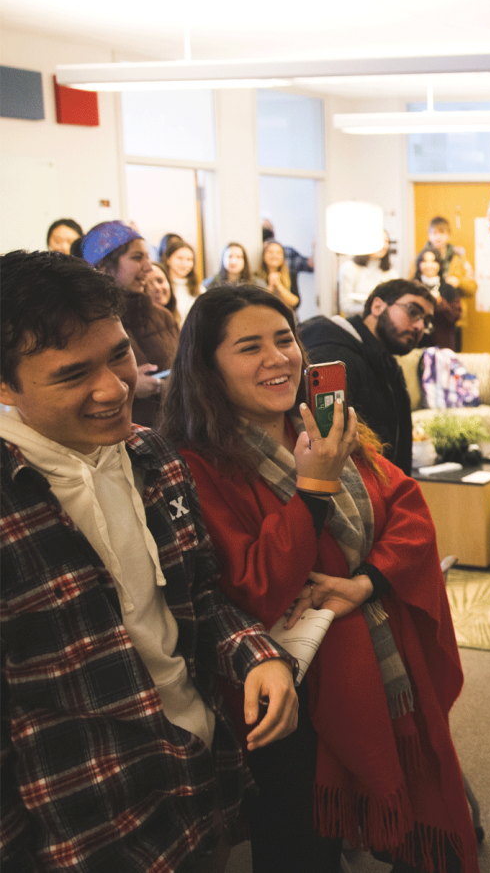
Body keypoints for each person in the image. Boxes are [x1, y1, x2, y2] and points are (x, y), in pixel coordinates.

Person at [161, 285, 477, 873]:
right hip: (290, 685)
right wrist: (313, 488)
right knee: (300, 842)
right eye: (249, 347)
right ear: (207, 367)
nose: (278, 358)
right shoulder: (195, 464)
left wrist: (368, 582)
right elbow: (254, 584)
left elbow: (406, 508)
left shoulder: (319, 425)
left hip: (375, 655)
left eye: (285, 339)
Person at [0, 250, 298, 872]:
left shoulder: (151, 454)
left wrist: (257, 654)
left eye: (119, 355)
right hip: (82, 823)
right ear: (6, 386)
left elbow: (201, 595)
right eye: (72, 374)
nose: (113, 388)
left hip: (195, 774)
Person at [298, 278, 435, 473]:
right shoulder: (331, 356)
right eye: (413, 311)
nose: (419, 326)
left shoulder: (387, 364)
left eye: (427, 321)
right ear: (377, 306)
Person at [75, 221, 177, 426]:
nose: (148, 268)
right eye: (137, 258)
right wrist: (131, 387)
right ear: (103, 265)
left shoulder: (163, 316)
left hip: (174, 431)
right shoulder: (85, 324)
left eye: (148, 258)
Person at [413, 248, 464, 351]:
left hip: (442, 346)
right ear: (419, 264)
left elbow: (455, 316)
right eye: (425, 261)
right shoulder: (412, 287)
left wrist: (440, 303)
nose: (429, 265)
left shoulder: (448, 288)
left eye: (433, 261)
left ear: (440, 265)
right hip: (415, 345)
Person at [337, 232, 396, 317]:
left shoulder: (391, 272)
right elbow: (346, 306)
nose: (383, 245)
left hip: (382, 327)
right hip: (357, 324)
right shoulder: (349, 268)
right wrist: (375, 308)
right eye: (380, 240)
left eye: (386, 241)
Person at [420, 216, 473, 281]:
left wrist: (459, 282)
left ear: (448, 235)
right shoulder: (421, 258)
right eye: (435, 233)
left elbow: (472, 285)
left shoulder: (458, 256)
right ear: (429, 235)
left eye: (442, 233)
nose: (438, 238)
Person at [160, 237, 201, 320]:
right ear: (168, 260)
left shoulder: (199, 289)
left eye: (189, 259)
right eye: (179, 258)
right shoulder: (161, 287)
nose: (184, 263)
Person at [259, 239, 302, 311]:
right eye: (270, 252)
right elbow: (258, 304)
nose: (274, 255)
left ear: (283, 257)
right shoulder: (256, 277)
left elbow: (296, 303)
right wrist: (270, 286)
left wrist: (279, 285)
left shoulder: (291, 274)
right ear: (264, 256)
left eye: (278, 253)